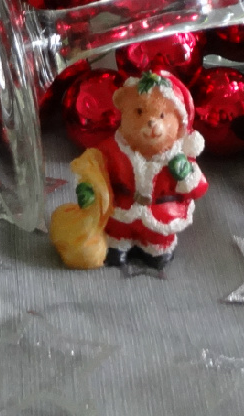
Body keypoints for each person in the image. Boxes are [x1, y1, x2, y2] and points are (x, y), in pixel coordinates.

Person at [49, 71, 208, 270]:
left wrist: (186, 176)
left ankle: (156, 250)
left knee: (157, 244)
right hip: (121, 213)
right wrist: (89, 189)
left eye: (161, 115)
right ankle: (119, 248)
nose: (152, 123)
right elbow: (95, 168)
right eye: (139, 112)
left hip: (161, 216)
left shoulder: (179, 159)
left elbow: (199, 188)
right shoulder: (112, 150)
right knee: (117, 235)